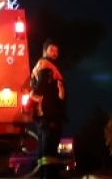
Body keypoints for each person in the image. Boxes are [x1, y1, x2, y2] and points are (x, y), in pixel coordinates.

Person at [29, 39, 67, 179]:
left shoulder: (44, 65)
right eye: (52, 50)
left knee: (45, 144)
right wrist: (37, 97)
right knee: (50, 146)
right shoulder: (46, 65)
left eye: (56, 51)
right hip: (49, 113)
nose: (55, 53)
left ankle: (44, 173)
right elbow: (41, 86)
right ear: (44, 51)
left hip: (46, 113)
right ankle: (49, 175)